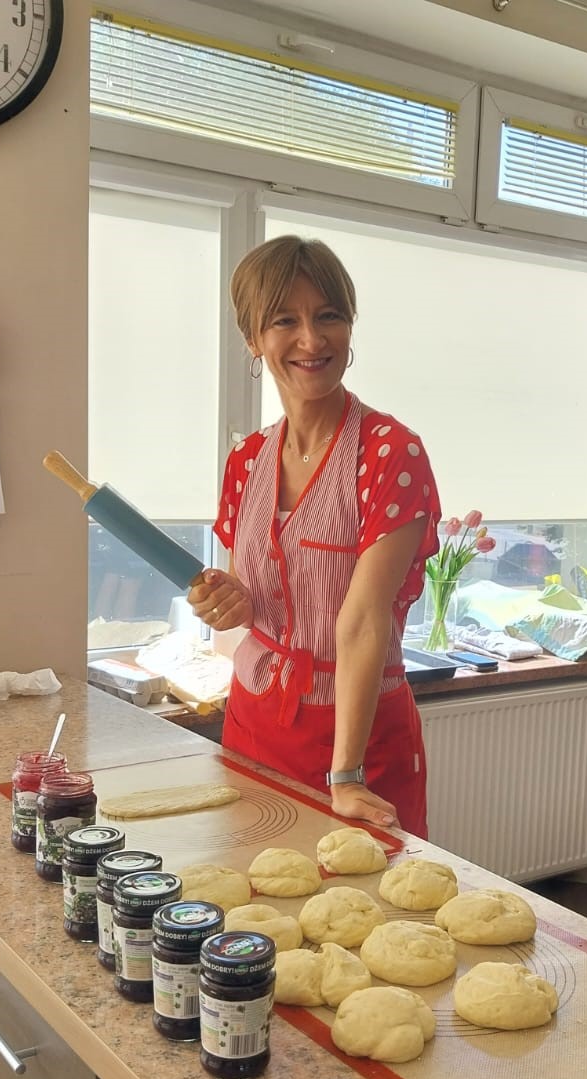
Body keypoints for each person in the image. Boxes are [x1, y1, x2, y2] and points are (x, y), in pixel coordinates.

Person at [188, 236, 440, 836]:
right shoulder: (246, 459)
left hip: (357, 739)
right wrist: (231, 602)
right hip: (253, 725)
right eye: (285, 320)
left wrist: (346, 775)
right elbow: (255, 604)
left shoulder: (389, 453)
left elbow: (362, 620)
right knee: (254, 914)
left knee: (366, 916)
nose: (312, 339)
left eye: (329, 316)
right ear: (254, 339)